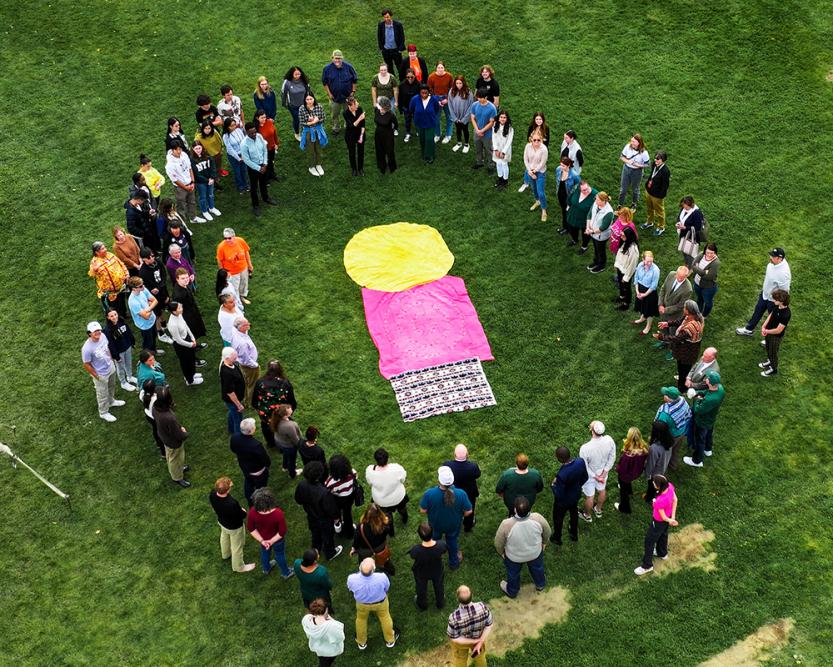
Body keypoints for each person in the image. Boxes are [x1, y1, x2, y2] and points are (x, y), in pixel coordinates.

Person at [494, 496, 551, 598]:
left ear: (515, 509)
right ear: (530, 508)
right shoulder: (538, 518)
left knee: (513, 574)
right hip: (535, 553)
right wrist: (544, 542)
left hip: (513, 557)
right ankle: (540, 584)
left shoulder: (506, 524)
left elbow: (498, 543)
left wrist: (501, 553)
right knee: (538, 568)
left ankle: (512, 591)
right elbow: (547, 531)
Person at [419, 467, 473, 571]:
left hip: (435, 525)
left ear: (439, 480)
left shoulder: (429, 493)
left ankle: (434, 561)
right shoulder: (461, 493)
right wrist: (461, 516)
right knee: (452, 541)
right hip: (453, 524)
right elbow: (469, 511)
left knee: (433, 542)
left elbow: (423, 510)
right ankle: (454, 563)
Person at [736, 248, 792, 336]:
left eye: (773, 256)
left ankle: (770, 337)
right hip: (765, 295)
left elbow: (784, 292)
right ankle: (749, 329)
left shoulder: (784, 274)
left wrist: (778, 303)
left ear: (780, 259)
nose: (770, 257)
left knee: (773, 319)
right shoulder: (772, 263)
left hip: (773, 300)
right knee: (757, 311)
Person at [347, 558, 398, 650]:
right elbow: (387, 588)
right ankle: (390, 640)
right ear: (373, 569)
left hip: (362, 604)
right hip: (381, 603)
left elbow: (350, 589)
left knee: (361, 620)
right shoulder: (382, 577)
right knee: (385, 618)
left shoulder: (351, 578)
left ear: (359, 568)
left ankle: (362, 643)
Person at [209, 476, 256, 573]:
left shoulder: (213, 494)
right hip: (234, 527)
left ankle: (225, 554)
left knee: (224, 536)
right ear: (227, 490)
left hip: (222, 522)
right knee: (237, 547)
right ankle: (239, 567)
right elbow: (241, 515)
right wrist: (243, 511)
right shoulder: (231, 503)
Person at [82, 321, 126, 423]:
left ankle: (111, 401)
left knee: (111, 386)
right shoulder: (86, 348)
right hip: (100, 374)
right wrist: (97, 376)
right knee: (102, 394)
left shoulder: (103, 336)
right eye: (94, 331)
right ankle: (103, 412)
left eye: (98, 330)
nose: (97, 333)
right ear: (89, 333)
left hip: (110, 367)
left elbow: (107, 348)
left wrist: (111, 360)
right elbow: (86, 364)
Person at [656, 300, 704, 392]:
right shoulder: (689, 317)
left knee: (684, 372)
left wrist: (661, 337)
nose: (683, 309)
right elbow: (680, 321)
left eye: (685, 308)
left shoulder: (690, 327)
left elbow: (676, 339)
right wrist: (667, 323)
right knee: (681, 368)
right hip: (684, 350)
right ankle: (681, 380)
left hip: (688, 353)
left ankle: (682, 389)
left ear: (689, 310)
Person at [634, 475, 678, 576]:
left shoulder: (660, 500)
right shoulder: (670, 486)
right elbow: (675, 500)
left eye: (654, 483)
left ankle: (647, 565)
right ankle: (662, 553)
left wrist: (669, 520)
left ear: (658, 486)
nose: (653, 483)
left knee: (649, 541)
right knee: (663, 534)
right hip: (668, 517)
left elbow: (662, 517)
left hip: (658, 522)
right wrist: (672, 518)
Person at [247, 487, 293, 577]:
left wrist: (262, 541)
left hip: (263, 539)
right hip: (277, 540)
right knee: (279, 555)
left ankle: (266, 568)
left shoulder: (252, 511)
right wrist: (271, 541)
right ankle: (286, 573)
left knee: (265, 552)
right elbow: (282, 532)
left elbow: (251, 528)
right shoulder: (278, 514)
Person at [684, 371, 726, 468]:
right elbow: (706, 392)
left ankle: (697, 461)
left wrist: (696, 399)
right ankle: (708, 449)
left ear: (709, 383)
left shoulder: (710, 399)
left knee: (699, 440)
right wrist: (697, 393)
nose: (705, 378)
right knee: (709, 433)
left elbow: (698, 410)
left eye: (707, 378)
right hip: (711, 418)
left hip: (702, 421)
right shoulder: (720, 389)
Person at [252, 360, 297, 447]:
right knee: (281, 428)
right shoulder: (285, 383)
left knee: (266, 427)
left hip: (265, 414)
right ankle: (281, 446)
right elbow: (291, 401)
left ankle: (271, 443)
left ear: (268, 369)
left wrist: (258, 408)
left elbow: (255, 400)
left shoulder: (260, 382)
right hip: (281, 413)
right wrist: (290, 411)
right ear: (280, 370)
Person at [152, 386, 190, 488]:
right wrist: (184, 433)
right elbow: (178, 435)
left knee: (171, 456)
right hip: (173, 442)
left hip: (164, 437)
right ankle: (177, 477)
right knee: (175, 459)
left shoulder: (155, 408)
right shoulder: (169, 418)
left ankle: (179, 468)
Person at [578, 421, 616, 522]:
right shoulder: (609, 440)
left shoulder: (585, 448)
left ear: (592, 430)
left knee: (590, 496)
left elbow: (584, 466)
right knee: (602, 491)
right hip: (603, 473)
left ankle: (587, 515)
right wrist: (604, 473)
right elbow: (612, 457)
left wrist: (596, 477)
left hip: (590, 476)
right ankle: (598, 509)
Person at [550, 446, 588, 545]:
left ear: (560, 459)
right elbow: (585, 477)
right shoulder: (580, 461)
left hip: (563, 502)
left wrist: (553, 485)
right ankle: (574, 534)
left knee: (558, 518)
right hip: (575, 495)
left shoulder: (562, 474)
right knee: (574, 513)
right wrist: (577, 487)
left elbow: (559, 494)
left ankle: (557, 538)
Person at [446, 585, 493, 667]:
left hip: (462, 644)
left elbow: (454, 638)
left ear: (457, 599)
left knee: (460, 660)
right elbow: (489, 625)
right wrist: (479, 642)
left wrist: (474, 641)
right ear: (472, 595)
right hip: (478, 638)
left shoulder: (454, 618)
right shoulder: (482, 607)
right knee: (480, 657)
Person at [366, 448, 408, 535]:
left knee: (387, 516)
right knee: (402, 509)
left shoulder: (370, 471)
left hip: (381, 501)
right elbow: (403, 479)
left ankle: (391, 532)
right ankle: (405, 519)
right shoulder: (397, 468)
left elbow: (369, 483)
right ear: (387, 458)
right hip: (398, 497)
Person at [230, 418, 271, 504]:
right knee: (261, 488)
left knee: (248, 481)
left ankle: (249, 498)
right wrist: (268, 465)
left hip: (244, 467)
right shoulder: (256, 445)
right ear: (251, 430)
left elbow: (233, 449)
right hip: (257, 471)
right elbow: (265, 459)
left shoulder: (234, 437)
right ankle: (260, 501)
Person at [443, 444, 481, 533]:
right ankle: (468, 526)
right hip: (469, 493)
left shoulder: (447, 465)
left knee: (454, 508)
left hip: (453, 492)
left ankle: (455, 524)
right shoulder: (473, 466)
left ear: (454, 454)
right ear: (467, 454)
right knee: (469, 509)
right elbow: (478, 475)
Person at [410, 522, 447, 610]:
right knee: (439, 586)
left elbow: (412, 556)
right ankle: (440, 602)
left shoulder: (416, 550)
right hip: (437, 570)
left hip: (421, 572)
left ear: (419, 535)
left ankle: (422, 604)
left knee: (421, 588)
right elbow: (444, 550)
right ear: (432, 533)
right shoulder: (441, 545)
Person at [240, 123, 275, 216]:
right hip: (253, 168)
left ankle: (265, 197)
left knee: (263, 182)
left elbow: (264, 150)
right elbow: (246, 160)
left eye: (255, 132)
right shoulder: (244, 144)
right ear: (246, 133)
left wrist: (265, 163)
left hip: (263, 165)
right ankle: (255, 205)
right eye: (251, 133)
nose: (254, 134)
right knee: (254, 187)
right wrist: (258, 168)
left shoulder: (259, 136)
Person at [138, 248, 171, 344]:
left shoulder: (158, 262)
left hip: (162, 290)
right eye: (149, 257)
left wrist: (162, 288)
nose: (152, 258)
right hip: (153, 296)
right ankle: (160, 333)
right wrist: (154, 288)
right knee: (156, 313)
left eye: (152, 255)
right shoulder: (143, 272)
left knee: (163, 308)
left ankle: (164, 324)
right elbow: (147, 287)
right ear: (144, 259)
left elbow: (164, 274)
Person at [654, 386, 692, 470]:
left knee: (665, 453)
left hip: (671, 436)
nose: (663, 395)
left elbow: (659, 428)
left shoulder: (665, 413)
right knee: (675, 450)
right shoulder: (682, 400)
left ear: (668, 398)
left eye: (665, 394)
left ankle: (660, 470)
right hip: (681, 432)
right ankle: (673, 465)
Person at [166, 301, 203, 386]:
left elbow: (185, 326)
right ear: (174, 311)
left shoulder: (179, 315)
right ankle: (189, 380)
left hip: (187, 339)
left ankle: (192, 374)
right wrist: (190, 345)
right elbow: (178, 340)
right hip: (181, 346)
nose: (181, 308)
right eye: (179, 308)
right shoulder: (172, 324)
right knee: (186, 362)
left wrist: (192, 338)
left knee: (192, 358)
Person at [352, 502, 394, 576]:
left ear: (366, 513)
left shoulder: (361, 527)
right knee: (384, 560)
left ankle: (365, 573)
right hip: (380, 547)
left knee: (364, 562)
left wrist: (354, 548)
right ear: (379, 513)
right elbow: (388, 530)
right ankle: (390, 571)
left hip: (365, 550)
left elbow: (356, 539)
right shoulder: (384, 523)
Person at [322, 50, 358, 135]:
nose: (337, 60)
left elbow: (354, 80)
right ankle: (336, 127)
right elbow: (325, 83)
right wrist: (329, 94)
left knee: (348, 113)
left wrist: (353, 91)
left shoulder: (349, 67)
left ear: (342, 58)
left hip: (348, 97)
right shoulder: (327, 69)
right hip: (334, 97)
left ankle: (348, 125)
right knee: (334, 114)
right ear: (332, 58)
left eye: (339, 58)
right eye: (335, 58)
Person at [613, 427, 649, 514]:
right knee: (626, 485)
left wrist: (617, 468)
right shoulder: (644, 448)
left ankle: (624, 508)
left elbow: (622, 469)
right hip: (637, 472)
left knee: (623, 492)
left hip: (626, 476)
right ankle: (629, 491)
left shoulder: (628, 456)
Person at [89, 241, 129, 318]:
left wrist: (126, 274)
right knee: (114, 306)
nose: (106, 249)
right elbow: (92, 274)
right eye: (103, 248)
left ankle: (124, 313)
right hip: (110, 292)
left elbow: (121, 264)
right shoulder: (95, 262)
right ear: (97, 252)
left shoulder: (110, 255)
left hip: (121, 287)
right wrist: (95, 270)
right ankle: (117, 318)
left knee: (122, 301)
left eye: (105, 247)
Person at [302, 597, 345, 666]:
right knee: (325, 664)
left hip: (318, 648)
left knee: (323, 661)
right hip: (330, 651)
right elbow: (340, 637)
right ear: (326, 610)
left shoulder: (306, 619)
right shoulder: (331, 626)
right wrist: (332, 620)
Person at [165, 141, 199, 224]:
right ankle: (182, 223)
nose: (179, 151)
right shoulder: (170, 164)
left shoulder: (184, 155)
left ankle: (193, 217)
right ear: (172, 150)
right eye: (176, 150)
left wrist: (193, 181)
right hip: (180, 188)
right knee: (181, 205)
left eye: (180, 149)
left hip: (190, 183)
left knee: (192, 201)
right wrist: (185, 187)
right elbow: (175, 180)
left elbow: (189, 168)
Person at [216, 228, 253, 305]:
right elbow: (219, 260)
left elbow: (246, 253)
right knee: (234, 288)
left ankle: (242, 296)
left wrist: (250, 265)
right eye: (225, 238)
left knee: (244, 283)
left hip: (243, 268)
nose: (227, 240)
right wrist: (223, 273)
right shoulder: (221, 247)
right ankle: (237, 301)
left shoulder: (240, 241)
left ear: (234, 236)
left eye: (229, 238)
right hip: (231, 272)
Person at [325, 454, 357, 539]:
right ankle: (350, 532)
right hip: (349, 496)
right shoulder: (353, 473)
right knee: (347, 513)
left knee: (337, 514)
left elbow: (328, 489)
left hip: (337, 499)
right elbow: (355, 480)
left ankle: (339, 530)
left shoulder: (330, 481)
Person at [760, 289, 791, 377]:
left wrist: (766, 331)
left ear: (781, 301)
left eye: (775, 299)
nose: (773, 301)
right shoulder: (776, 306)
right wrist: (764, 326)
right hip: (769, 332)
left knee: (773, 352)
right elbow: (771, 315)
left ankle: (773, 369)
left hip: (776, 336)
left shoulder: (786, 314)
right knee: (768, 348)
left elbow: (778, 330)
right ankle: (769, 361)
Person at [104, 309, 136, 392]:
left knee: (128, 363)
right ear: (108, 317)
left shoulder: (121, 321)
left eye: (115, 314)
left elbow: (128, 332)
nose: (114, 317)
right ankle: (123, 383)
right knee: (120, 367)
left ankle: (129, 377)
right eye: (111, 316)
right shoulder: (108, 330)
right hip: (119, 352)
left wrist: (132, 342)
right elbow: (110, 344)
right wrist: (116, 356)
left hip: (127, 347)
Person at [171, 269, 205, 345]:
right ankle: (194, 346)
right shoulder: (178, 295)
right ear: (177, 279)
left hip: (192, 310)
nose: (186, 280)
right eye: (183, 278)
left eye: (187, 277)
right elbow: (179, 310)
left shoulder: (184, 285)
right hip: (187, 316)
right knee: (192, 332)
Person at [409, 85, 442, 164]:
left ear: (429, 92)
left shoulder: (433, 99)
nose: (424, 95)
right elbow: (411, 109)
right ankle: (424, 154)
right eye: (422, 93)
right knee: (422, 139)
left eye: (425, 93)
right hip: (419, 123)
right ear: (419, 92)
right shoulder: (415, 99)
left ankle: (430, 156)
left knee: (429, 139)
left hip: (430, 123)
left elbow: (436, 109)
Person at [643, 420, 674, 504]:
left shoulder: (654, 448)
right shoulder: (670, 440)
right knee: (657, 485)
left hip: (655, 473)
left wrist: (647, 475)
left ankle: (649, 498)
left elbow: (651, 463)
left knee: (651, 487)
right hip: (663, 467)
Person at [230, 317, 259, 406]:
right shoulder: (242, 344)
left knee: (247, 382)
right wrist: (255, 365)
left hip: (244, 364)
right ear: (241, 327)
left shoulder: (237, 331)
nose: (249, 324)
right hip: (249, 366)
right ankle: (249, 402)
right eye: (247, 324)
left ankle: (247, 399)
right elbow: (246, 359)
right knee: (252, 384)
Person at [299, 92, 328, 176]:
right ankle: (311, 166)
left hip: (318, 130)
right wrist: (310, 122)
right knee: (310, 150)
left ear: (314, 99)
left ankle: (318, 164)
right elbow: (301, 122)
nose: (309, 101)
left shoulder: (319, 106)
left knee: (318, 148)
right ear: (305, 100)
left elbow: (324, 118)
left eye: (311, 99)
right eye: (307, 99)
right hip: (308, 131)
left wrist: (317, 120)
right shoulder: (302, 108)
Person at [127, 276, 159, 353]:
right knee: (148, 343)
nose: (143, 286)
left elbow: (155, 300)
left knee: (154, 337)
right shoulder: (133, 301)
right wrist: (150, 306)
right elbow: (146, 316)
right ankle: (148, 358)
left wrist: (148, 308)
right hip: (145, 325)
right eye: (140, 286)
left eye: (143, 284)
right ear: (134, 289)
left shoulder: (143, 290)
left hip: (153, 319)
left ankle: (154, 351)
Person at [190, 141, 221, 221]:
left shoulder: (207, 156)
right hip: (201, 182)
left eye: (199, 148)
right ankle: (204, 211)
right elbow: (196, 174)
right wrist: (207, 180)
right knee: (202, 197)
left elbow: (213, 167)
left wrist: (212, 177)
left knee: (211, 194)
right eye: (196, 149)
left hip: (210, 180)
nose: (198, 150)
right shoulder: (192, 160)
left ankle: (211, 207)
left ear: (202, 147)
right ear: (193, 149)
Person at [270, 403, 303, 478]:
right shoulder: (289, 426)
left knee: (285, 455)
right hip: (289, 446)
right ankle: (292, 474)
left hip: (280, 443)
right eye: (290, 409)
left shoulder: (276, 420)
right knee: (292, 460)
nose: (291, 409)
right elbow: (296, 440)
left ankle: (285, 467)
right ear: (285, 415)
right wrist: (301, 445)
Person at [585, 191, 615, 272]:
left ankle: (601, 265)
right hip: (592, 232)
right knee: (595, 248)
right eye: (596, 199)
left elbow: (603, 227)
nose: (595, 201)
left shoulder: (609, 212)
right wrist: (587, 227)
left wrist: (591, 231)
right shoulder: (595, 204)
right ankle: (596, 262)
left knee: (601, 250)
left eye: (598, 200)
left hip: (601, 236)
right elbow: (589, 214)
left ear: (604, 201)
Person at [642, 151, 671, 235]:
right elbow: (652, 175)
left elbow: (665, 185)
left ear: (663, 160)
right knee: (649, 208)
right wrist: (647, 186)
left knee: (659, 212)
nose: (655, 160)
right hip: (649, 191)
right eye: (655, 158)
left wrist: (660, 196)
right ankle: (649, 222)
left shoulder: (665, 171)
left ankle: (661, 227)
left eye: (658, 159)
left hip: (657, 196)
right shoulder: (654, 165)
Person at [632, 251, 661, 335]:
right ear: (643, 259)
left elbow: (653, 286)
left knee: (649, 311)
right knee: (642, 306)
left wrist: (644, 294)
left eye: (651, 261)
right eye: (647, 261)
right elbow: (636, 279)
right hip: (640, 290)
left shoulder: (656, 270)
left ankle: (648, 326)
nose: (649, 263)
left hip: (649, 292)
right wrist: (637, 292)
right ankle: (642, 318)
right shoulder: (640, 265)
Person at [618, 133, 650, 209]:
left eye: (633, 142)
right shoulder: (627, 147)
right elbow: (622, 157)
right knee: (623, 189)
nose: (631, 143)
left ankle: (634, 203)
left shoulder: (644, 153)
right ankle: (620, 204)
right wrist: (628, 162)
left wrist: (638, 165)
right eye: (631, 141)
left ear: (639, 143)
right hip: (626, 169)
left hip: (637, 172)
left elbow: (647, 164)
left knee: (635, 189)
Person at [220, 347, 246, 434]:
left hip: (234, 400)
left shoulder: (230, 363)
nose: (236, 357)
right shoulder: (227, 373)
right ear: (227, 358)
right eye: (234, 357)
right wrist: (239, 405)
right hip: (233, 401)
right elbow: (230, 392)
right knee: (238, 420)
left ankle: (230, 429)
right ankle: (239, 439)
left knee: (232, 413)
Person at [470, 88, 497, 173]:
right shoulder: (475, 105)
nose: (479, 99)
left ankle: (491, 165)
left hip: (487, 134)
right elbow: (472, 118)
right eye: (478, 97)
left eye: (481, 98)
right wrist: (477, 130)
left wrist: (482, 131)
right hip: (477, 131)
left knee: (489, 150)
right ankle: (479, 162)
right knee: (478, 148)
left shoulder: (492, 108)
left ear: (486, 97)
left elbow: (491, 122)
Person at [552, 156, 580, 235]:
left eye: (563, 166)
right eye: (561, 165)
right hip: (560, 194)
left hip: (568, 197)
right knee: (564, 211)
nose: (561, 167)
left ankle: (567, 228)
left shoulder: (574, 175)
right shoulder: (558, 169)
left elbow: (578, 187)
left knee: (567, 212)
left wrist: (572, 199)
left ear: (568, 165)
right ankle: (565, 227)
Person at [281, 66, 311, 140]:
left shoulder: (304, 80)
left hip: (304, 105)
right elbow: (283, 93)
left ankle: (305, 131)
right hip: (293, 106)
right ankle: (297, 134)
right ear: (292, 74)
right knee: (297, 120)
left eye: (299, 74)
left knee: (305, 118)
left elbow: (308, 92)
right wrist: (284, 104)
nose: (298, 76)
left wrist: (309, 102)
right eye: (296, 74)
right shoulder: (287, 82)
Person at [691, 243, 720, 317]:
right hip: (697, 283)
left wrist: (697, 269)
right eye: (708, 252)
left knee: (708, 302)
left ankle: (704, 316)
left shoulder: (716, 263)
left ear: (715, 252)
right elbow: (693, 265)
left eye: (712, 253)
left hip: (708, 288)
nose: (709, 255)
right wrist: (704, 272)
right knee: (699, 299)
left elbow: (709, 277)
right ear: (705, 251)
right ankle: (698, 313)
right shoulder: (701, 254)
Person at [614, 227, 640, 310]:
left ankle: (626, 303)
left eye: (623, 236)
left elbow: (632, 266)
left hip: (626, 272)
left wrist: (626, 278)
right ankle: (622, 297)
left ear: (629, 237)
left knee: (626, 287)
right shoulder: (624, 242)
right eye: (621, 235)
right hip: (620, 268)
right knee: (620, 284)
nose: (621, 237)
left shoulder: (633, 250)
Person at [675, 196, 706, 267]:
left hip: (692, 236)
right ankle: (686, 263)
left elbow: (698, 227)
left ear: (690, 205)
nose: (684, 207)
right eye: (683, 206)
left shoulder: (696, 213)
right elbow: (680, 217)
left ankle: (691, 267)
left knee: (691, 252)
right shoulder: (683, 208)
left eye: (686, 206)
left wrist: (685, 227)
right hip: (682, 234)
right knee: (684, 250)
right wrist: (678, 223)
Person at [223, 117, 250, 194]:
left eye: (234, 125)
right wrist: (239, 158)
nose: (234, 127)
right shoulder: (226, 136)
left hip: (242, 153)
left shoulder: (239, 130)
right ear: (227, 127)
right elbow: (230, 149)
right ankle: (240, 186)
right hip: (233, 156)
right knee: (237, 171)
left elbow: (244, 141)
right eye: (231, 126)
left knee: (244, 170)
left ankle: (246, 184)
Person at [566, 179, 597, 247]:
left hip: (585, 220)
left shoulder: (595, 195)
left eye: (587, 188)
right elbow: (570, 197)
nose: (586, 191)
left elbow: (598, 209)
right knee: (572, 230)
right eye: (583, 190)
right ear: (579, 189)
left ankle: (584, 246)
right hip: (573, 215)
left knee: (585, 234)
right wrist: (568, 205)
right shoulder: (576, 190)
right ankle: (575, 240)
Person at [448, 75, 474, 153]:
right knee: (458, 129)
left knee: (465, 129)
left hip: (464, 116)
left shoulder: (468, 92)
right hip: (456, 116)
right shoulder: (452, 91)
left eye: (460, 83)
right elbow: (450, 104)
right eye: (457, 83)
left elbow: (471, 106)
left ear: (463, 83)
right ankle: (459, 143)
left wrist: (465, 118)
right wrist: (454, 117)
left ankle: (466, 144)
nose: (459, 85)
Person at [428, 61, 454, 143]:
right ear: (436, 68)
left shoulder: (449, 76)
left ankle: (448, 135)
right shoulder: (431, 77)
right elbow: (429, 90)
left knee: (449, 117)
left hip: (446, 98)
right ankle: (437, 134)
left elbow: (452, 89)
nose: (440, 69)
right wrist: (436, 101)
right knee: (436, 118)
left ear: (444, 68)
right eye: (438, 67)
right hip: (436, 98)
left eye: (442, 67)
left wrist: (447, 99)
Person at [377, 9, 406, 80]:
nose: (386, 19)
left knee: (400, 67)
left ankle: (402, 82)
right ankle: (393, 82)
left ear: (391, 16)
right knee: (389, 68)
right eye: (385, 17)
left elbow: (402, 37)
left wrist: (400, 49)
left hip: (396, 50)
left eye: (387, 17)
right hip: (386, 50)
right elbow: (379, 37)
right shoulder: (381, 25)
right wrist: (382, 49)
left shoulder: (398, 25)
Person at [140, 380, 166, 457]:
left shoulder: (142, 394)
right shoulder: (156, 398)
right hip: (156, 417)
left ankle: (158, 444)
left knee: (155, 430)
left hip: (149, 415)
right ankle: (163, 452)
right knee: (161, 434)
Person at [374, 96, 398, 175]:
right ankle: (382, 167)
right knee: (380, 151)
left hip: (388, 135)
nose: (377, 104)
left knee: (389, 151)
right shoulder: (376, 110)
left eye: (378, 103)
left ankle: (392, 167)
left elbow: (396, 124)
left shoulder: (390, 114)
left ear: (383, 106)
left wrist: (392, 130)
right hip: (378, 134)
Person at [254, 108, 280, 182]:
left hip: (271, 146)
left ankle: (272, 174)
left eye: (265, 117)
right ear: (257, 118)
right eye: (262, 118)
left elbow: (274, 132)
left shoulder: (269, 122)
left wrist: (276, 143)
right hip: (263, 150)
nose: (264, 119)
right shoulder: (256, 128)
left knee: (271, 161)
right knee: (265, 163)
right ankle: (266, 178)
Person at [344, 96, 367, 176]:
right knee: (352, 153)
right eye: (355, 105)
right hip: (350, 135)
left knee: (361, 152)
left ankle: (360, 168)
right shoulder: (346, 113)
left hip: (360, 133)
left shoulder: (359, 109)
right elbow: (351, 126)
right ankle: (354, 169)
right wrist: (360, 118)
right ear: (350, 106)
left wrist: (361, 135)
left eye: (357, 104)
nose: (357, 105)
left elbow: (363, 124)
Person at [490, 111, 514, 189]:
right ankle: (500, 178)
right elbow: (493, 137)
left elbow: (509, 141)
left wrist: (503, 152)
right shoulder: (495, 126)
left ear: (507, 119)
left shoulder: (510, 128)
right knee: (498, 163)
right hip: (497, 148)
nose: (502, 119)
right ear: (498, 118)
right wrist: (496, 149)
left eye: (504, 117)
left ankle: (505, 180)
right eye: (501, 117)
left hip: (505, 149)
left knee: (504, 164)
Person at [398, 68, 421, 142]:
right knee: (407, 120)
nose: (410, 79)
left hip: (416, 107)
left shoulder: (418, 85)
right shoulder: (402, 85)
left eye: (412, 77)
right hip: (406, 106)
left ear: (414, 76)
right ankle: (408, 133)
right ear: (406, 77)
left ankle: (418, 131)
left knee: (417, 119)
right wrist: (400, 108)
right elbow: (400, 97)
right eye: (408, 77)